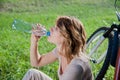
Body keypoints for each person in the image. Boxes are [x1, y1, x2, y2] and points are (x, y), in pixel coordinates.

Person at [22, 16, 93, 80]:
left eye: (56, 28)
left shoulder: (76, 67)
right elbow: (36, 62)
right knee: (32, 74)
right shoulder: (61, 51)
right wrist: (34, 41)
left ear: (66, 36)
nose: (50, 29)